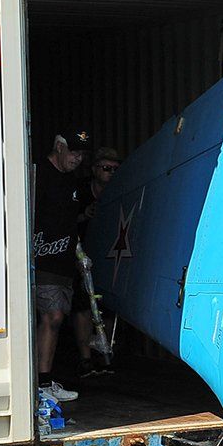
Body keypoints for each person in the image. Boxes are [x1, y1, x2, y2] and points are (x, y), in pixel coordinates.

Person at [31, 127, 91, 405]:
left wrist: (79, 255)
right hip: (40, 260)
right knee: (52, 316)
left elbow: (70, 223)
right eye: (73, 152)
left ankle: (42, 381)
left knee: (55, 319)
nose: (77, 158)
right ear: (59, 146)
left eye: (81, 154)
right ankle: (41, 383)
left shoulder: (72, 182)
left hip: (64, 262)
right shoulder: (37, 173)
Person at [71, 146, 120, 378]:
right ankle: (85, 358)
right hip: (82, 254)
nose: (110, 173)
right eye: (105, 168)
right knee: (82, 306)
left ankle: (105, 352)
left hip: (111, 255)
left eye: (114, 169)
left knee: (108, 306)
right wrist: (84, 215)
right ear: (94, 170)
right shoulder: (80, 191)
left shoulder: (122, 190)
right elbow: (64, 219)